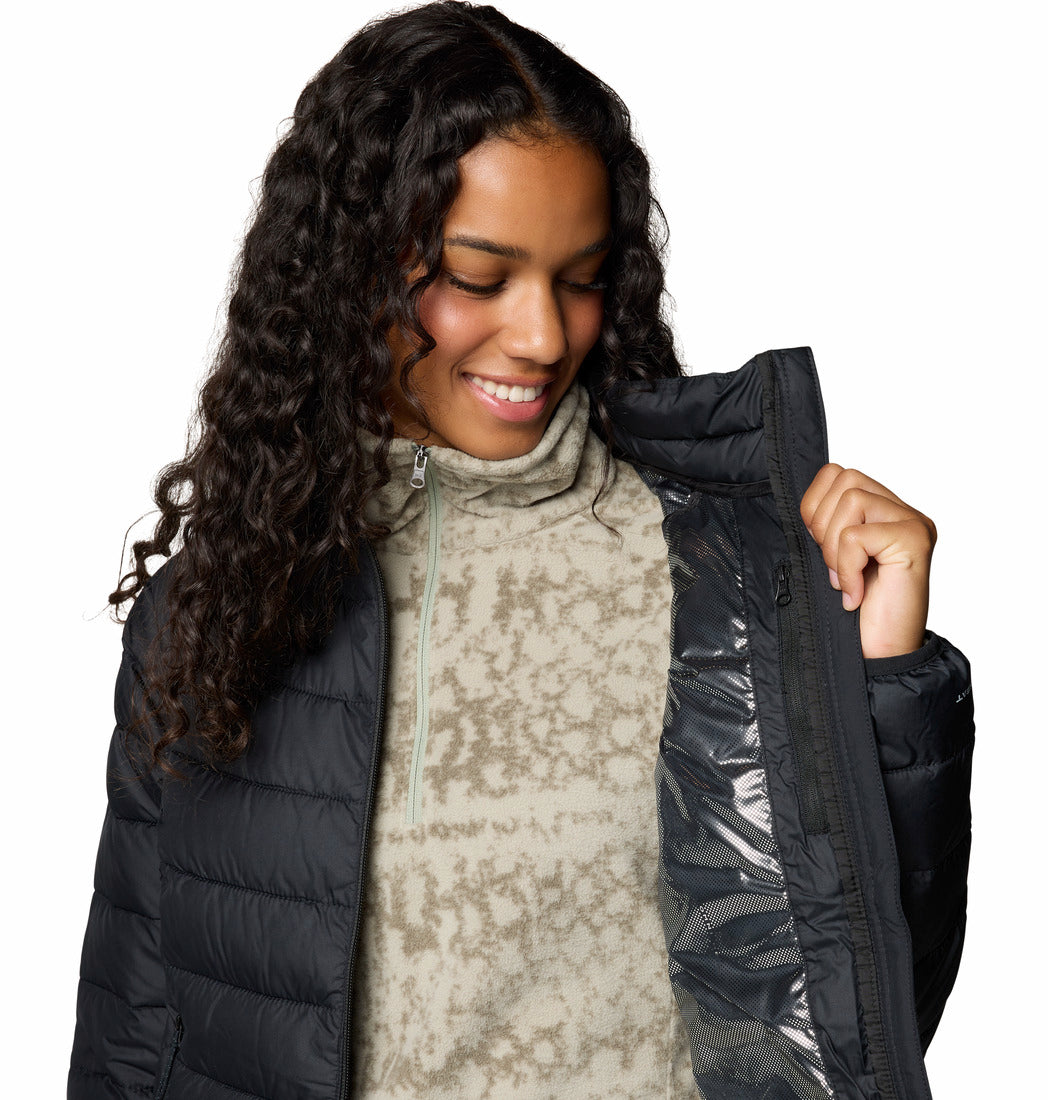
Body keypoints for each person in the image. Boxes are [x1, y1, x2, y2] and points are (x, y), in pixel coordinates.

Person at [67, 3, 974, 1099]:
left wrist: (884, 678)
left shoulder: (725, 581)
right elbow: (134, 1035)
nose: (543, 335)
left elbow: (857, 1030)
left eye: (580, 277)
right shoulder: (220, 606)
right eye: (478, 276)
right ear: (351, 268)